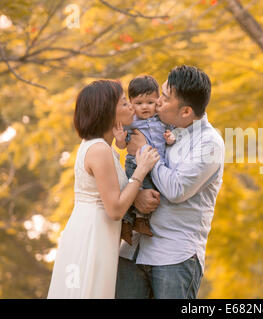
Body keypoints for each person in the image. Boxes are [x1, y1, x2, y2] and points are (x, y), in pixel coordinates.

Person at [116, 65, 225, 299]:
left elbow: (176, 189)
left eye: (164, 99)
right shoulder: (155, 125)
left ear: (186, 111)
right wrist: (135, 194)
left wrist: (143, 150)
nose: (156, 103)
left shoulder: (209, 144)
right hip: (132, 250)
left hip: (174, 257)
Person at [47, 80, 160, 298]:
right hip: (91, 237)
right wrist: (142, 170)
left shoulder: (103, 147)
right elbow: (115, 208)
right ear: (107, 111)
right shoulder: (99, 150)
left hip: (101, 235)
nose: (131, 108)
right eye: (125, 103)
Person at [114, 75, 176, 245]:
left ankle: (141, 221)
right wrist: (120, 139)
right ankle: (126, 224)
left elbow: (172, 133)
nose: (145, 107)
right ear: (131, 103)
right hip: (135, 162)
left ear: (157, 101)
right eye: (139, 103)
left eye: (150, 102)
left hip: (155, 163)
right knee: (133, 188)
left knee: (150, 190)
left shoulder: (162, 120)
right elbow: (122, 145)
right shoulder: (131, 122)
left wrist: (170, 137)